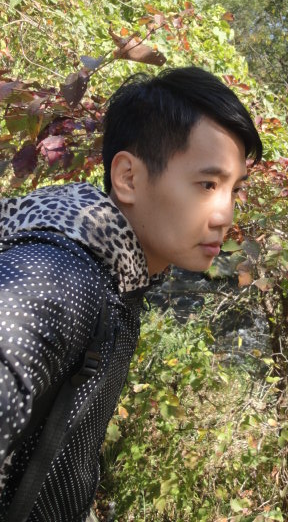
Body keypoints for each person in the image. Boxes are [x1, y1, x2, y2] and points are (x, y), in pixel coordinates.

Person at [0, 66, 262, 521]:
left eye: (234, 190)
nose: (225, 215)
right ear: (128, 178)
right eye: (207, 184)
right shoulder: (62, 275)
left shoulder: (115, 272)